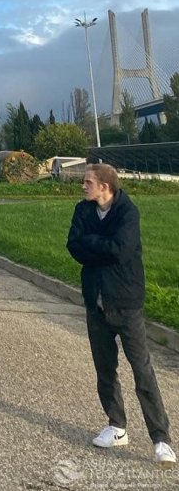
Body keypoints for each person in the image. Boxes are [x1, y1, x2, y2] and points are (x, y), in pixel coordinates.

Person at [67, 163, 175, 466]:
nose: (83, 187)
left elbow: (121, 250)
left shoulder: (128, 212)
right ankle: (117, 425)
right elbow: (73, 246)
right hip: (96, 302)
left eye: (87, 182)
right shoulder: (83, 210)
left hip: (125, 304)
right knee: (105, 368)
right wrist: (98, 246)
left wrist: (92, 244)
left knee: (142, 370)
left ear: (104, 186)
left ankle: (161, 439)